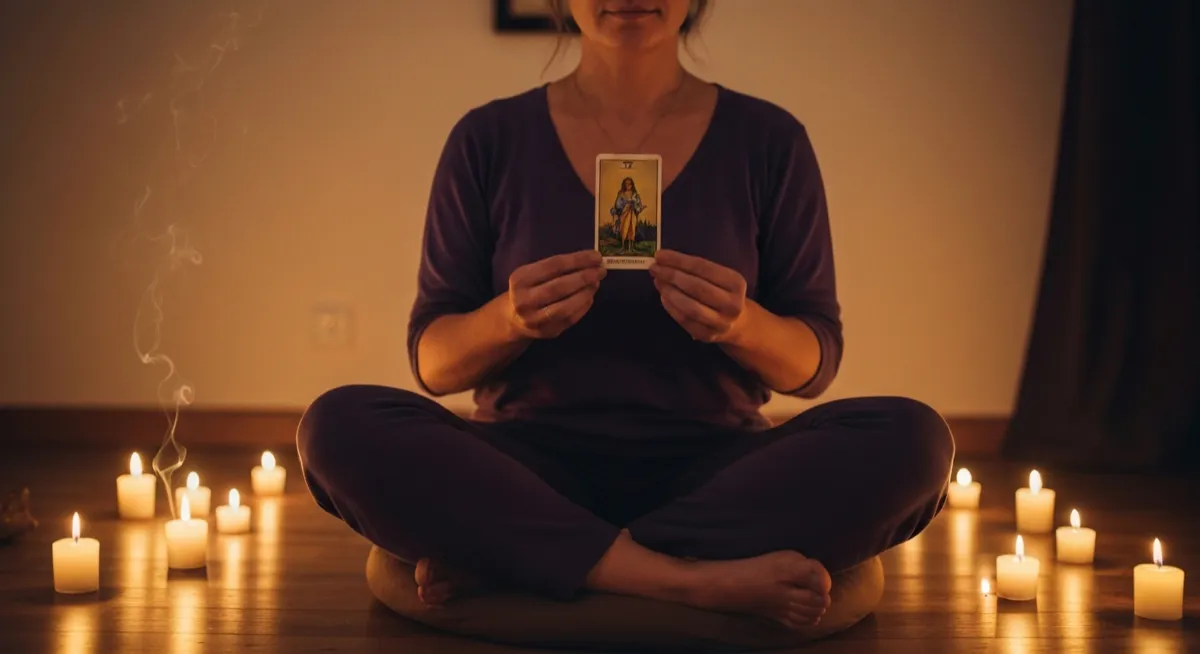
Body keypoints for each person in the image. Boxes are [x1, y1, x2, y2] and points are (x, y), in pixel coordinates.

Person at [297, 0, 954, 631]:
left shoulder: (770, 139)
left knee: (915, 441)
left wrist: (742, 325)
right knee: (337, 425)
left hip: (716, 468)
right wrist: (509, 319)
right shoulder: (487, 138)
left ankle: (521, 556)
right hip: (523, 467)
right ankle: (681, 578)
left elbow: (814, 364)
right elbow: (434, 364)